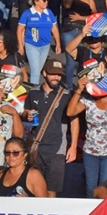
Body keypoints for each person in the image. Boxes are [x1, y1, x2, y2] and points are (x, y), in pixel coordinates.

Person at [67, 70, 107, 198]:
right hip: (90, 152)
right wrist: (79, 90)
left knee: (104, 188)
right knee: (90, 189)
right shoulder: (87, 100)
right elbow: (70, 112)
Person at [23, 59, 76, 197]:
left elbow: (74, 120)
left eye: (59, 75)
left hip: (57, 148)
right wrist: (26, 114)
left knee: (52, 190)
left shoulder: (66, 95)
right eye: (53, 74)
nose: (56, 78)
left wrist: (73, 146)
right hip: (36, 147)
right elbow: (24, 112)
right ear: (44, 73)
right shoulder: (33, 92)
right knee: (34, 188)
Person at [17, 0, 61, 86]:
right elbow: (20, 29)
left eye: (46, 0)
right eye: (44, 0)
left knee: (38, 69)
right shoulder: (27, 13)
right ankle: (33, 92)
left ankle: (30, 85)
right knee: (36, 72)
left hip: (45, 45)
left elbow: (54, 29)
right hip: (32, 45)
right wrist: (21, 46)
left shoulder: (49, 13)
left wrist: (58, 43)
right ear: (36, 2)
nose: (46, 2)